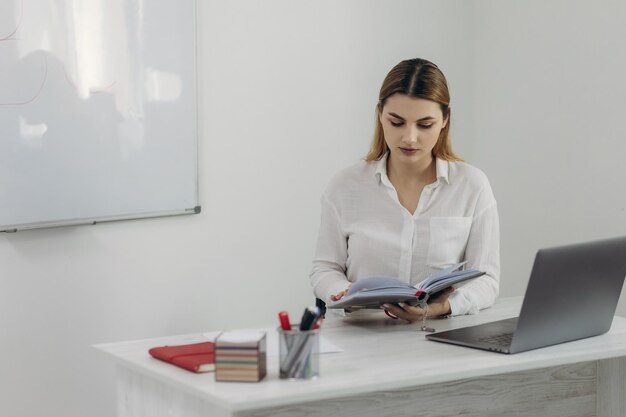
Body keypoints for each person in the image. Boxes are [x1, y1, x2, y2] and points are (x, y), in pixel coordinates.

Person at [309, 58, 500, 322]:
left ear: (445, 119)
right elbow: (325, 268)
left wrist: (441, 308)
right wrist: (343, 293)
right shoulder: (344, 186)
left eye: (425, 125)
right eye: (397, 122)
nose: (410, 137)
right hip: (359, 337)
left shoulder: (472, 186)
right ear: (380, 115)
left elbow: (487, 280)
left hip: (439, 339)